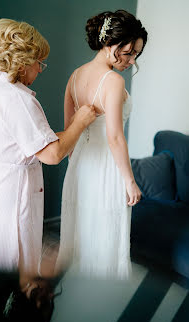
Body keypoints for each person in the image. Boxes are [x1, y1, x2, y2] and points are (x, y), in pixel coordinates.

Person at [0, 18, 98, 291]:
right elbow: (51, 153)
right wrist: (80, 122)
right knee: (18, 269)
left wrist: (69, 130)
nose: (40, 69)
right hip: (13, 198)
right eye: (39, 62)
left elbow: (37, 142)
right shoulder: (18, 100)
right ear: (23, 62)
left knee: (3, 268)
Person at [54, 10, 148, 279]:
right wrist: (129, 181)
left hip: (80, 166)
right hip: (107, 169)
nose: (131, 60)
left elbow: (69, 131)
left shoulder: (75, 76)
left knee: (80, 235)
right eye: (128, 52)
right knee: (105, 238)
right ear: (110, 44)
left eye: (136, 55)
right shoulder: (114, 81)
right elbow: (115, 136)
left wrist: (77, 167)